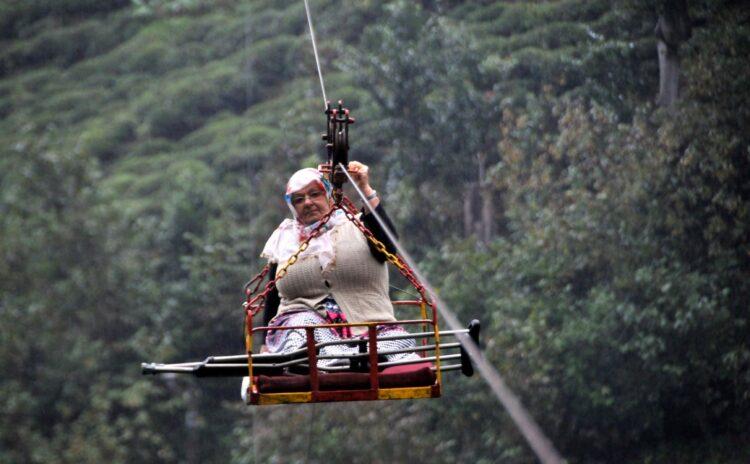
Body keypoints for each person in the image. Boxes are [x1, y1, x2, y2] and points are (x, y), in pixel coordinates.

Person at [258, 161, 420, 367]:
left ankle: (362, 358)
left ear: (328, 195)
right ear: (293, 206)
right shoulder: (284, 240)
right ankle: (331, 359)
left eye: (315, 194)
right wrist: (264, 345)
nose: (307, 202)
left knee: (393, 344)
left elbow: (389, 246)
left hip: (369, 326)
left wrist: (364, 189)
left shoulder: (359, 225)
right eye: (299, 199)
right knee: (305, 327)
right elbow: (273, 293)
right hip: (305, 329)